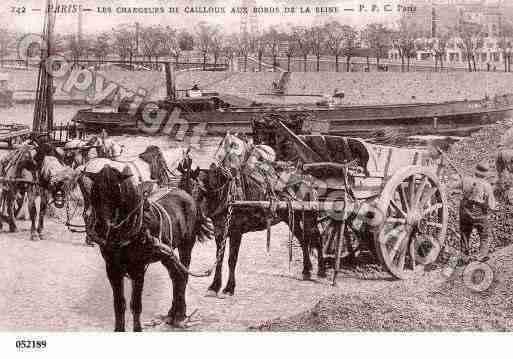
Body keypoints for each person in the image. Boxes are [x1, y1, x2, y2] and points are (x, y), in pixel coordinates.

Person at [458, 161, 497, 263]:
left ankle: (464, 256)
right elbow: (491, 204)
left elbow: (457, 188)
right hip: (478, 212)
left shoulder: (465, 180)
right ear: (486, 174)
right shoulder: (486, 185)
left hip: (464, 210)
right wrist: (491, 210)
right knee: (485, 234)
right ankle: (482, 255)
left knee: (465, 233)